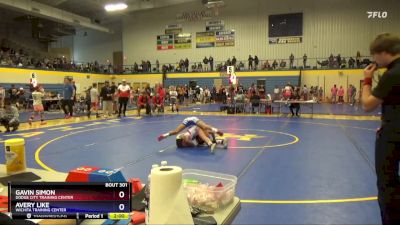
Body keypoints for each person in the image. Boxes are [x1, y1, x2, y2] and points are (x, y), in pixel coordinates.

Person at [361, 33, 400, 225]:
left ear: (384, 53)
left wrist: (367, 80)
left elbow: (368, 105)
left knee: (387, 185)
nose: (374, 60)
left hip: (393, 137)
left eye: (375, 55)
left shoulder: (392, 74)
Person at [158, 117, 224, 153]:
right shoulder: (194, 135)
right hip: (190, 122)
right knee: (204, 129)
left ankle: (213, 137)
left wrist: (215, 134)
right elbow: (192, 142)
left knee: (204, 127)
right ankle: (214, 141)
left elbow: (184, 138)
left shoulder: (188, 136)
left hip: (190, 121)